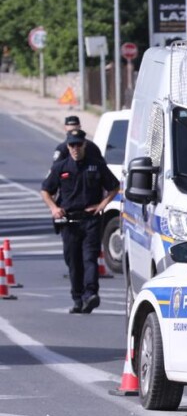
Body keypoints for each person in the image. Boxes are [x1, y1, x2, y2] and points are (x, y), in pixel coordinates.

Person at [40, 128, 121, 314]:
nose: (75, 148)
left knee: (90, 258)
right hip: (69, 222)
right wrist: (54, 208)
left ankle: (91, 295)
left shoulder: (96, 165)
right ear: (68, 146)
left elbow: (114, 186)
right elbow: (45, 190)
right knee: (73, 262)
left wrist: (102, 205)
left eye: (78, 144)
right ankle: (78, 298)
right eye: (72, 145)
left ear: (85, 144)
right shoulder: (60, 168)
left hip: (90, 220)